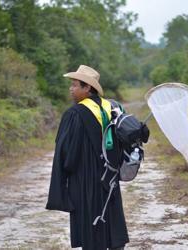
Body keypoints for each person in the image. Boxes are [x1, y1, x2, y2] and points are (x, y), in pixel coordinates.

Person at [46, 65, 129, 250]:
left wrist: (66, 176)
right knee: (111, 218)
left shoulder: (75, 114)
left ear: (87, 88)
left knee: (91, 223)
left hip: (84, 180)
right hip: (110, 176)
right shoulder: (112, 108)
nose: (71, 89)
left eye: (75, 85)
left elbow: (67, 152)